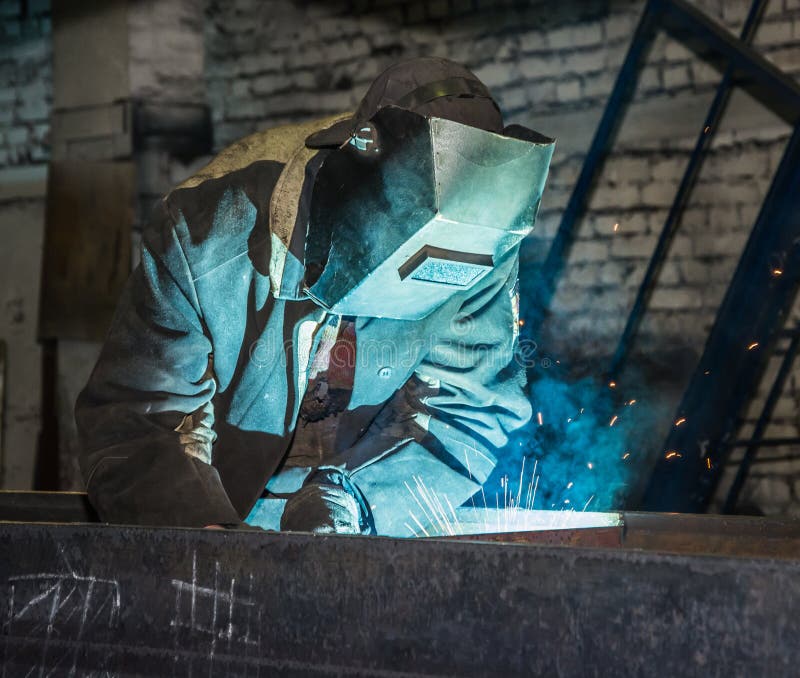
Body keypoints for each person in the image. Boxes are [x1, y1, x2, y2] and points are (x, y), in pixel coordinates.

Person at [75, 57, 554, 536]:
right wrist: (209, 541)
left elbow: (468, 411)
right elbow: (138, 424)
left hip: (365, 529)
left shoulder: (485, 241)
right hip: (215, 515)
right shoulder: (208, 235)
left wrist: (355, 502)